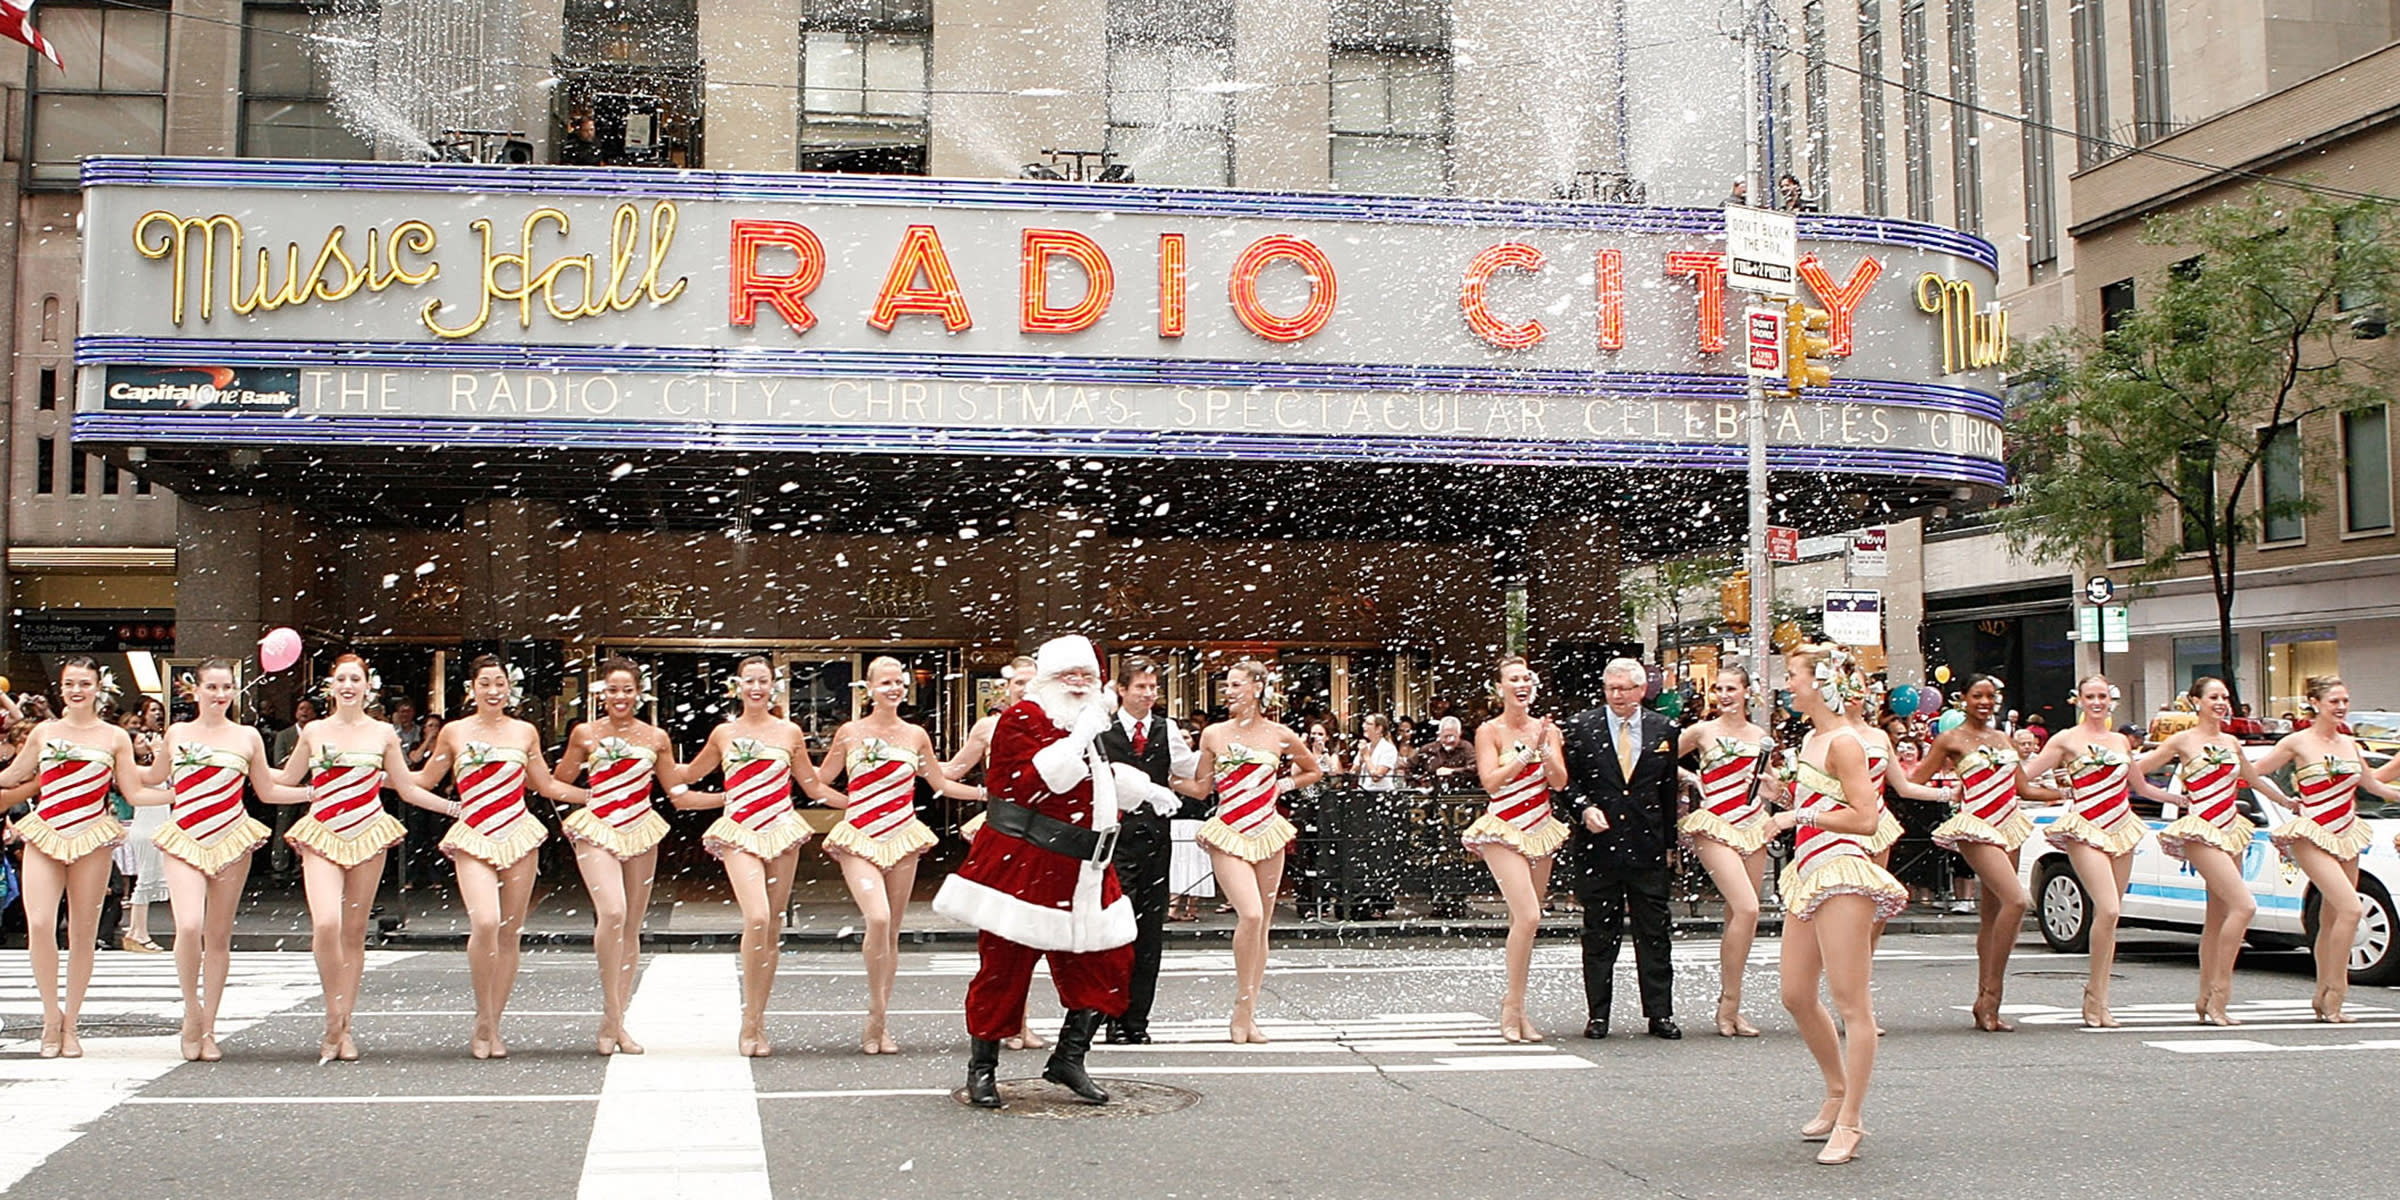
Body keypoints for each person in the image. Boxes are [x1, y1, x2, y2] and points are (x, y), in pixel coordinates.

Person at [933, 636, 1140, 1108]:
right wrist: (1082, 735)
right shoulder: (1021, 719)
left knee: (1109, 962)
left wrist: (1140, 790)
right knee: (1004, 969)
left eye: (1087, 675)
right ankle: (982, 1068)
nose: (1079, 683)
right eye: (1069, 675)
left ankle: (1070, 1058)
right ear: (1047, 679)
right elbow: (1037, 784)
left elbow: (1094, 780)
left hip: (1087, 868)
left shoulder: (1087, 720)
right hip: (1025, 863)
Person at [267, 654, 458, 1063]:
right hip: (320, 833)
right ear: (331, 686)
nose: (348, 685)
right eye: (341, 679)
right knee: (326, 924)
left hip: (368, 832)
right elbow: (283, 779)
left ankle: (343, 1026)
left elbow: (406, 788)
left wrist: (456, 809)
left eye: (356, 678)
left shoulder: (384, 732)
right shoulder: (315, 731)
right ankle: (332, 1017)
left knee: (354, 932)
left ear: (367, 686)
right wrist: (235, 763)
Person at [1766, 645, 1907, 1166]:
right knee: (1796, 993)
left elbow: (1866, 820)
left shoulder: (1845, 742)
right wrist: (1785, 799)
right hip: (1809, 872)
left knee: (1853, 1004)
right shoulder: (1811, 738)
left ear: (1820, 684)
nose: (1788, 687)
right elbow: (1821, 803)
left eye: (1794, 678)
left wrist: (1794, 818)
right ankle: (1834, 1091)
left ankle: (1851, 1120)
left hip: (1842, 871)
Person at [411, 655, 586, 1059]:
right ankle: (482, 1015)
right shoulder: (454, 733)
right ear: (472, 689)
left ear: (511, 688)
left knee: (510, 931)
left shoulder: (525, 732)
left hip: (519, 835)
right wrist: (382, 776)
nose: (493, 691)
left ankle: (492, 1021)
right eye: (485, 683)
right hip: (473, 835)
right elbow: (423, 781)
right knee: (485, 922)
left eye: (500, 683)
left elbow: (546, 785)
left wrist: (595, 797)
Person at [134, 658, 309, 1060]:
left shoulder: (247, 737)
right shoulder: (177, 732)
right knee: (188, 924)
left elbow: (267, 789)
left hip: (231, 837)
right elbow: (152, 774)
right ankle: (191, 1011)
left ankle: (209, 1027)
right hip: (183, 837)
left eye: (226, 687)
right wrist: (113, 758)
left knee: (217, 935)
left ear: (234, 691)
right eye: (211, 687)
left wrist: (314, 793)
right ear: (195, 690)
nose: (219, 695)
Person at [0, 658, 170, 1058]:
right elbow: (13, 775)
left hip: (92, 836)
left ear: (98, 688)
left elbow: (133, 791)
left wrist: (178, 795)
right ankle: (49, 1017)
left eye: (84, 683)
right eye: (70, 683)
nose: (77, 690)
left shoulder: (114, 737)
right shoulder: (44, 732)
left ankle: (72, 1022)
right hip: (45, 833)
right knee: (40, 923)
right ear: (61, 688)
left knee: (82, 932)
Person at [817, 655, 985, 1055]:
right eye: (886, 682)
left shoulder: (915, 734)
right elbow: (818, 781)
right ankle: (874, 1018)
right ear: (869, 688)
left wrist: (986, 795)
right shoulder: (849, 732)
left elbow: (940, 780)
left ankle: (880, 1020)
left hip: (903, 835)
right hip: (859, 836)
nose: (893, 689)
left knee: (892, 930)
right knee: (876, 917)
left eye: (899, 683)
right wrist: (850, 803)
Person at [673, 654, 823, 1056]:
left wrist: (862, 796)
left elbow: (811, 785)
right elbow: (686, 774)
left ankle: (755, 1019)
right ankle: (748, 1021)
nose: (756, 688)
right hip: (739, 831)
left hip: (781, 830)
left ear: (774, 686)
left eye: (763, 681)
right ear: (736, 686)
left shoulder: (790, 732)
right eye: (749, 681)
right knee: (755, 916)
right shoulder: (724, 733)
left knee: (771, 926)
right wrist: (648, 754)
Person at [2133, 677, 2293, 1025]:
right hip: (2200, 830)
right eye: (2213, 697)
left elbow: (2252, 779)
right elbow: (2136, 771)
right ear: (2196, 702)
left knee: (2218, 918)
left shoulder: (2232, 742)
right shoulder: (2182, 740)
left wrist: (2286, 802)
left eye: (2224, 697)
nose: (2220, 702)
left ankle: (2205, 998)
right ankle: (2220, 996)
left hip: (2232, 829)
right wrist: (2168, 797)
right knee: (2244, 906)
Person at [1180, 659, 1323, 1044]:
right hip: (1227, 832)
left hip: (1268, 831)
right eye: (1227, 685)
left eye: (1237, 684)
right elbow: (1201, 788)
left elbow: (1313, 771)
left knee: (1263, 925)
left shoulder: (1280, 734)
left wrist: (1281, 787)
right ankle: (1240, 1011)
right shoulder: (1213, 733)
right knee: (1251, 914)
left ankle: (1248, 1011)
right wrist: (1158, 776)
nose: (1229, 691)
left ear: (1258, 688)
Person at [552, 657, 680, 1056]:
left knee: (632, 926)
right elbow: (559, 783)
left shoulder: (656, 737)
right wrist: (591, 799)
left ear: (639, 693)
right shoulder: (584, 733)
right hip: (597, 829)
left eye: (627, 689)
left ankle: (616, 1021)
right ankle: (611, 1013)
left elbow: (675, 788)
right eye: (612, 690)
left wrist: (732, 794)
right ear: (600, 694)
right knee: (612, 912)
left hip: (642, 828)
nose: (620, 697)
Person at [1911, 674, 2050, 1032]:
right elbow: (1914, 781)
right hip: (1976, 827)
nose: (1985, 702)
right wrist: (1947, 794)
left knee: (1993, 915)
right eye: (1977, 696)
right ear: (1963, 699)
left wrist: (2064, 793)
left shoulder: (2003, 739)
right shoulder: (1951, 739)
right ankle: (1990, 995)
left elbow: (2022, 788)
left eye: (1991, 696)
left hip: (2009, 826)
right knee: (2016, 902)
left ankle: (1988, 1003)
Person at [2020, 675, 2159, 1027]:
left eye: (2102, 696)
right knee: (2108, 909)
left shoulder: (2120, 741)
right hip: (2085, 827)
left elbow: (2139, 785)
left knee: (2111, 917)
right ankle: (2095, 995)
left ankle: (2099, 997)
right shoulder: (2066, 739)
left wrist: (2176, 798)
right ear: (2078, 700)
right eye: (2090, 696)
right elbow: (2026, 775)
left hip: (2121, 827)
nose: (2097, 702)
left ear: (2110, 700)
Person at [1558, 658, 1683, 1040]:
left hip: (1646, 844)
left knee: (1654, 932)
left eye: (1625, 689)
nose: (1617, 696)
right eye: (1611, 688)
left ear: (1641, 690)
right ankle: (1598, 1014)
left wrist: (1669, 845)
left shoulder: (1664, 728)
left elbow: (1667, 791)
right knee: (1599, 932)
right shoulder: (1582, 726)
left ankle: (1659, 1012)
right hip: (1599, 843)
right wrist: (1583, 808)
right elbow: (1566, 781)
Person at [2261, 676, 2395, 1023]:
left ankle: (2322, 995)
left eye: (2345, 701)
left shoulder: (2349, 744)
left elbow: (2373, 784)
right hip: (2311, 832)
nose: (2341, 707)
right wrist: (2283, 800)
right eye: (2334, 700)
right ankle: (2337, 994)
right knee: (2351, 909)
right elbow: (2251, 771)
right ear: (2314, 703)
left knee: (2332, 916)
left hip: (2347, 833)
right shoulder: (2297, 742)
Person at [941, 654, 1049, 1051]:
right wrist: (906, 761)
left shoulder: (1055, 726)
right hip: (1004, 831)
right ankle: (1002, 1022)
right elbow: (951, 772)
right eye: (1018, 683)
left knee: (1032, 930)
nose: (1024, 689)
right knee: (1004, 929)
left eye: (1032, 682)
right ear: (1006, 688)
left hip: (1044, 833)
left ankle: (1018, 1020)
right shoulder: (988, 727)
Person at [1466, 656, 1569, 1043]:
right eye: (1513, 679)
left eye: (1527, 678)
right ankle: (1510, 1006)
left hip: (1540, 829)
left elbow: (1559, 781)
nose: (1521, 684)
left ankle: (1520, 1006)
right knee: (1527, 916)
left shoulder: (1548, 729)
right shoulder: (1488, 731)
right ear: (1500, 688)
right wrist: (1525, 754)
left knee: (1525, 921)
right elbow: (1491, 782)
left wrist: (1543, 749)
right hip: (1503, 828)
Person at [1098, 654, 1198, 1045]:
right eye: (1140, 686)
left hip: (1156, 838)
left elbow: (1191, 771)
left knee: (1149, 932)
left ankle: (1136, 1021)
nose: (1148, 694)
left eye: (1153, 688)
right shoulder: (1102, 730)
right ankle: (1109, 1015)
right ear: (1121, 690)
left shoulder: (1166, 729)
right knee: (1115, 929)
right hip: (1114, 838)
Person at [1674, 665, 1774, 1038]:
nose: (1725, 694)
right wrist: (1687, 776)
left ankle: (1732, 1005)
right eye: (1719, 688)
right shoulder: (1702, 731)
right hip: (1714, 824)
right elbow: (1660, 756)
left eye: (1732, 688)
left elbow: (1771, 784)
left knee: (1742, 916)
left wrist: (1774, 789)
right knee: (1748, 907)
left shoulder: (1760, 735)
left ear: (1748, 692)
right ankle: (1728, 1005)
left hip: (1753, 825)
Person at [265, 696, 318, 883]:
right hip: (287, 788)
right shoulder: (285, 735)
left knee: (307, 828)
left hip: (312, 789)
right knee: (283, 827)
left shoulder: (318, 735)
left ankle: (301, 866)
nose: (304, 712)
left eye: (308, 709)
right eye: (301, 708)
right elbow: (279, 763)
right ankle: (279, 867)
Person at [1411, 716, 1478, 788]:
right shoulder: (1427, 749)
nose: (1449, 741)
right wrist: (1418, 784)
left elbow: (1474, 768)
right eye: (1446, 737)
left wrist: (1452, 771)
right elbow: (1409, 768)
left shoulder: (1467, 748)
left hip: (1461, 792)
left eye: (1452, 736)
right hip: (1432, 792)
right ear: (1439, 735)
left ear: (1459, 734)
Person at [1356, 714, 1401, 790]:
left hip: (1380, 794)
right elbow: (1354, 772)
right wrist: (1360, 762)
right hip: (1362, 792)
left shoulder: (1388, 749)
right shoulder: (1366, 747)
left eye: (1369, 724)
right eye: (1364, 723)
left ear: (1379, 729)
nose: (1364, 726)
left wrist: (1367, 757)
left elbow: (1377, 777)